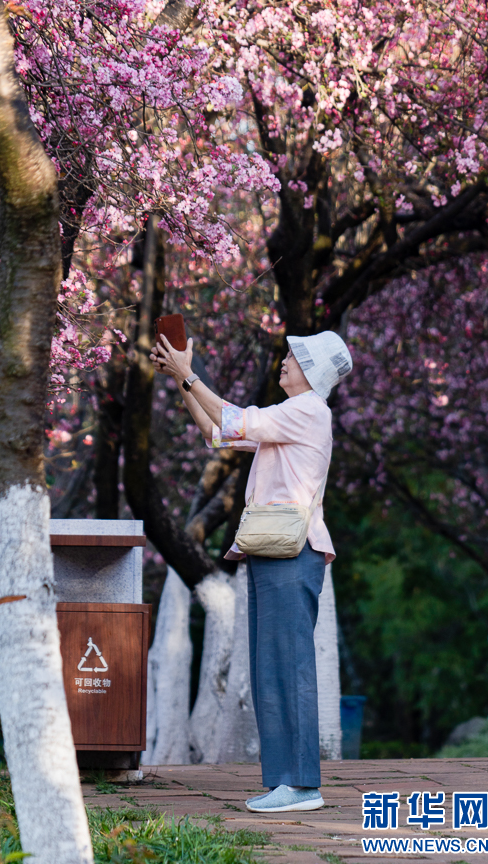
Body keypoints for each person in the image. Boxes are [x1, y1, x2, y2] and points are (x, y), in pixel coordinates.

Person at [150, 330, 353, 814]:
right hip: (272, 551)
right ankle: (287, 783)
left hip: (291, 553)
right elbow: (217, 431)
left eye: (292, 357)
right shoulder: (290, 416)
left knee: (289, 667)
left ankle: (303, 785)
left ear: (313, 370)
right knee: (270, 670)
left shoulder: (307, 411)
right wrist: (184, 383)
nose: (283, 362)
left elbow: (229, 416)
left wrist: (188, 373)